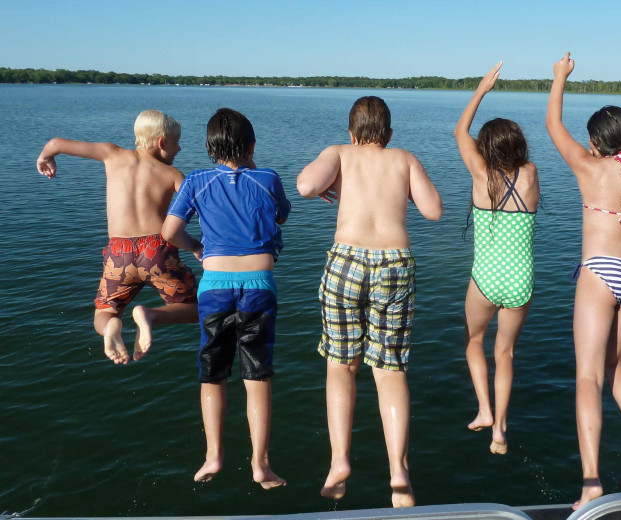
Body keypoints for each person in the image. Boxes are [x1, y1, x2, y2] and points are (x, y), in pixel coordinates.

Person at [297, 96, 442, 507]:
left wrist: (333, 181)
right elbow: (434, 211)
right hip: (395, 265)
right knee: (390, 371)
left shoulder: (339, 153)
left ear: (351, 132)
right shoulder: (404, 159)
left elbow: (306, 185)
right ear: (389, 134)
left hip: (347, 262)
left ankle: (340, 462)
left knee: (341, 366)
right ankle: (399, 474)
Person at [546, 52, 621, 509]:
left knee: (589, 376)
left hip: (602, 273)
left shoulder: (589, 168)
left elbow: (553, 125)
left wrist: (559, 78)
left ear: (597, 142)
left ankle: (591, 481)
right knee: (616, 366)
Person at [161, 108, 290, 490]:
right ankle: (261, 465)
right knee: (257, 376)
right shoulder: (268, 178)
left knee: (213, 374)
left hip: (215, 286)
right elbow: (281, 217)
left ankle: (213, 456)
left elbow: (169, 232)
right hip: (258, 287)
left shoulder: (197, 181)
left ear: (209, 148)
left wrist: (198, 247)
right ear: (252, 145)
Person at [35, 109, 198, 365]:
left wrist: (46, 158)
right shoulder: (174, 175)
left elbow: (55, 144)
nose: (179, 149)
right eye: (177, 143)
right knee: (196, 309)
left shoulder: (112, 154)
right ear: (162, 142)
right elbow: (200, 208)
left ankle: (111, 328)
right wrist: (197, 247)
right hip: (157, 250)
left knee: (104, 312)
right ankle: (150, 316)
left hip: (118, 253)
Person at [454, 62, 540, 456]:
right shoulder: (531, 174)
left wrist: (481, 90)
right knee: (504, 353)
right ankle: (500, 430)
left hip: (485, 277)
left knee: (475, 341)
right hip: (520, 280)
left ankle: (485, 410)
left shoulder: (479, 174)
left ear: (486, 149)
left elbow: (460, 132)